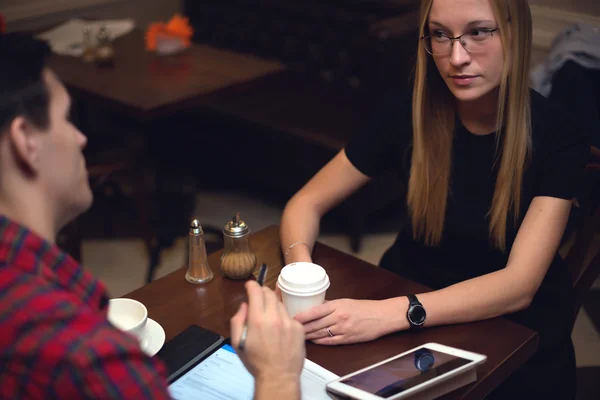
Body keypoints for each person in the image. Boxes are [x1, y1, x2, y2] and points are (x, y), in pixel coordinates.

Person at [280, 0, 589, 398]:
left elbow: (518, 285)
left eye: (478, 32)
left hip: (512, 334)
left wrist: (391, 313)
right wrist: (300, 275)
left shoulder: (558, 134)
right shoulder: (406, 109)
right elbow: (306, 202)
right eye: (440, 34)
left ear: (516, 32)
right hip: (407, 302)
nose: (456, 57)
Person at [0, 33, 305, 399]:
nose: (81, 138)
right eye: (66, 119)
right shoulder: (89, 357)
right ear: (26, 141)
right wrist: (278, 374)